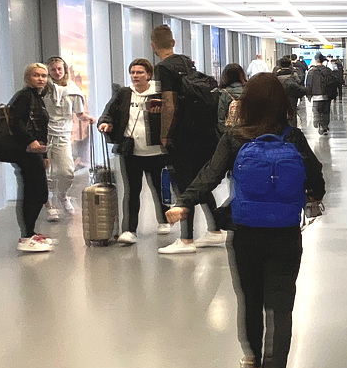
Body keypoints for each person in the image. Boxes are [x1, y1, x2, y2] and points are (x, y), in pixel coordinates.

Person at [166, 73, 325, 368]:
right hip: (285, 232)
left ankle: (254, 362)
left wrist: (184, 202)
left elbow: (211, 174)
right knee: (281, 307)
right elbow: (316, 175)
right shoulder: (292, 137)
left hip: (246, 231)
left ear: (247, 103)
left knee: (250, 300)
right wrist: (313, 195)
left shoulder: (235, 138)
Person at [152, 24, 225, 255]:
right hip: (202, 133)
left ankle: (186, 239)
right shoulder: (185, 62)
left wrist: (165, 134)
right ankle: (215, 230)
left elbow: (170, 104)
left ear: (153, 45)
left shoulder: (163, 68)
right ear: (173, 43)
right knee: (199, 182)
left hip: (182, 135)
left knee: (184, 186)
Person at [97, 58, 166, 245]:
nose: (135, 76)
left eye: (140, 72)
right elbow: (108, 112)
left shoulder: (159, 93)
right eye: (133, 72)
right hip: (131, 152)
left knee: (159, 188)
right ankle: (129, 229)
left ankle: (164, 218)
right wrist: (106, 123)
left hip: (156, 151)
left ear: (148, 75)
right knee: (132, 191)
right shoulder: (124, 93)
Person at [9, 62, 54, 253]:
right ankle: (26, 236)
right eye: (36, 75)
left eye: (44, 76)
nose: (41, 79)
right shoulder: (24, 96)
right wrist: (31, 141)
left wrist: (44, 154)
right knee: (33, 192)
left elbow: (41, 128)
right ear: (28, 78)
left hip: (36, 151)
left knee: (39, 191)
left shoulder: (37, 97)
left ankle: (31, 232)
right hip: (25, 151)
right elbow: (16, 121)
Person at [42, 55, 90, 222]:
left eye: (59, 69)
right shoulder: (43, 89)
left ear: (64, 70)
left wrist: (89, 119)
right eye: (53, 69)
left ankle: (62, 195)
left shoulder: (73, 90)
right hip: (44, 135)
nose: (57, 72)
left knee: (67, 172)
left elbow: (79, 113)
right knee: (46, 173)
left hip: (62, 135)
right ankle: (49, 206)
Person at [305, 54, 336, 135]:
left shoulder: (311, 71)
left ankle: (317, 123)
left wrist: (308, 95)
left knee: (316, 111)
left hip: (316, 95)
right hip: (326, 94)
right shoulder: (328, 70)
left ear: (316, 61)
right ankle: (324, 126)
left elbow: (309, 84)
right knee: (325, 111)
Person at [274, 56, 306, 127]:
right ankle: (292, 128)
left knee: (280, 112)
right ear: (289, 64)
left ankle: (281, 127)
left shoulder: (276, 74)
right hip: (292, 96)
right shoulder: (293, 73)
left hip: (280, 96)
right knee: (292, 112)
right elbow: (299, 82)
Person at [217, 63, 247, 135]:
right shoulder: (249, 90)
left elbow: (221, 119)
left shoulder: (224, 94)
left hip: (231, 132)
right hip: (246, 131)